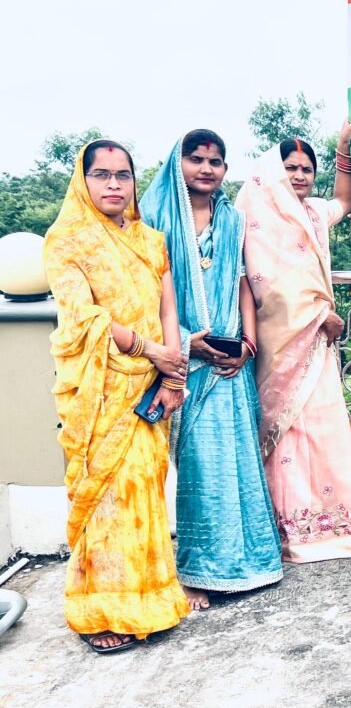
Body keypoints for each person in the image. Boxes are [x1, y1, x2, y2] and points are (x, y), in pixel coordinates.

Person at [43, 139, 190, 654]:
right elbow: (84, 319)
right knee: (108, 496)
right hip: (101, 390)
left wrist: (173, 376)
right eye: (101, 174)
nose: (113, 184)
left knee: (145, 490)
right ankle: (103, 611)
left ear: (133, 182)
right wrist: (153, 352)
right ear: (82, 181)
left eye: (122, 175)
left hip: (152, 385)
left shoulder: (151, 240)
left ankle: (151, 601)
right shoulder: (67, 240)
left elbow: (169, 308)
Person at [140, 130, 283, 609]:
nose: (206, 168)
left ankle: (249, 562)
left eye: (216, 161)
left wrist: (248, 344)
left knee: (238, 463)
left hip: (229, 361)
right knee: (201, 470)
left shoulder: (232, 220)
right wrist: (185, 342)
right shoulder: (154, 217)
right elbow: (145, 294)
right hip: (183, 361)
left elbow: (242, 284)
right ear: (176, 163)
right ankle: (195, 571)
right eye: (196, 159)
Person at [234, 125, 351, 562]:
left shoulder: (313, 212)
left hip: (317, 342)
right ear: (275, 172)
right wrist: (318, 314)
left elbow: (344, 201)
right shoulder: (258, 215)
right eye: (291, 168)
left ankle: (333, 524)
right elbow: (266, 285)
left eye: (306, 169)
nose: (299, 176)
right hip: (284, 338)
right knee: (289, 432)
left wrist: (342, 150)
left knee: (323, 425)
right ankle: (290, 528)